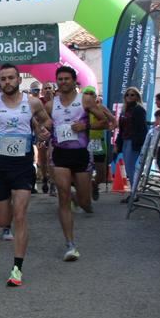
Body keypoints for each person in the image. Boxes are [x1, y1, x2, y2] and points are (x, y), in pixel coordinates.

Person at [0, 63, 52, 287]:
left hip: (23, 164)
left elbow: (46, 121)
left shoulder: (32, 102)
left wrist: (43, 129)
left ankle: (17, 268)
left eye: (11, 78)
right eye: (3, 78)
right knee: (4, 220)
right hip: (0, 164)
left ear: (19, 80)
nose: (7, 82)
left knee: (20, 214)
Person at [45, 67, 107, 262]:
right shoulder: (50, 105)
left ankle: (79, 196)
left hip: (81, 154)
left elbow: (105, 121)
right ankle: (70, 244)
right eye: (60, 79)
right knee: (62, 196)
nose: (63, 82)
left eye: (66, 79)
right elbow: (41, 123)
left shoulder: (85, 100)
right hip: (60, 154)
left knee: (84, 201)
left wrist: (85, 126)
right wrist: (42, 132)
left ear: (74, 81)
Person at [116, 86, 147, 201]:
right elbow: (121, 128)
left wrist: (139, 143)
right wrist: (118, 143)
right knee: (130, 168)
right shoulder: (125, 110)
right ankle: (134, 192)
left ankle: (134, 193)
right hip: (125, 140)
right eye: (127, 95)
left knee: (131, 168)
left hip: (133, 142)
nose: (129, 97)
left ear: (137, 97)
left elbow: (142, 128)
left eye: (132, 95)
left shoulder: (139, 110)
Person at [38, 82, 56, 194]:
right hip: (42, 132)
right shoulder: (39, 102)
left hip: (54, 135)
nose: (48, 90)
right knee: (43, 160)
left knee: (51, 158)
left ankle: (53, 184)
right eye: (46, 88)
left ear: (53, 90)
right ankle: (45, 178)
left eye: (50, 88)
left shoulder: (57, 102)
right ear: (42, 91)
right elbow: (37, 119)